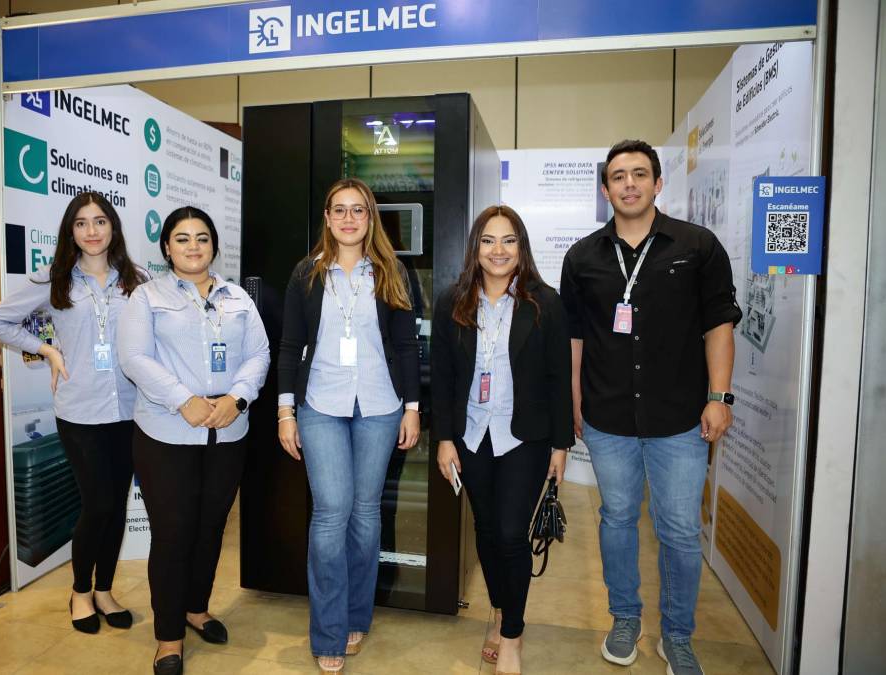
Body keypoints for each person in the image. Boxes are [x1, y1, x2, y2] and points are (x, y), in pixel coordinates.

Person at [560, 140, 742, 675]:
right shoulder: (583, 257)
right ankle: (625, 618)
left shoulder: (697, 246)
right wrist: (573, 401)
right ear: (605, 189)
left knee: (680, 529)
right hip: (608, 417)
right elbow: (573, 337)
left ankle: (678, 635)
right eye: (618, 176)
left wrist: (719, 397)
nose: (629, 184)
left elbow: (719, 326)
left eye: (640, 174)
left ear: (658, 183)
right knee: (616, 519)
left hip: (681, 418)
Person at [0, 192, 144, 635]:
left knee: (116, 507)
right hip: (80, 410)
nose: (92, 231)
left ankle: (106, 589)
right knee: (99, 503)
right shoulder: (52, 280)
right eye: (81, 223)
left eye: (100, 221)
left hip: (131, 410)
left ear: (113, 226)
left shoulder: (137, 279)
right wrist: (47, 350)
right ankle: (79, 590)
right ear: (70, 231)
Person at [117, 206, 269, 675]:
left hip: (227, 431)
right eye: (182, 239)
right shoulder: (146, 296)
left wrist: (237, 399)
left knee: (211, 527)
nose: (193, 246)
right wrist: (184, 400)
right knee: (173, 532)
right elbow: (135, 358)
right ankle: (168, 636)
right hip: (167, 431)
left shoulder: (238, 298)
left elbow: (259, 354)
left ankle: (196, 608)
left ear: (213, 246)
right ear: (167, 247)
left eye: (201, 238)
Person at [276, 177, 419, 675]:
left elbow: (405, 345)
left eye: (358, 210)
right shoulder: (306, 274)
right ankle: (329, 631)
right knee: (332, 514)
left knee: (364, 515)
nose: (349, 218)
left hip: (380, 406)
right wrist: (285, 411)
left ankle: (359, 614)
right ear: (328, 218)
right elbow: (290, 345)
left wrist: (413, 407)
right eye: (339, 210)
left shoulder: (392, 271)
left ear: (370, 216)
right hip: (320, 405)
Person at [431, 204, 573, 675]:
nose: (498, 250)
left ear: (521, 247)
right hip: (472, 436)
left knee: (512, 534)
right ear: (476, 247)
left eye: (508, 240)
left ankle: (512, 632)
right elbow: (446, 377)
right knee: (487, 532)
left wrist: (559, 446)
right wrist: (445, 440)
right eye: (488, 241)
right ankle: (497, 607)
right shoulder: (453, 300)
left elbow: (558, 377)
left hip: (524, 438)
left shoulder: (544, 302)